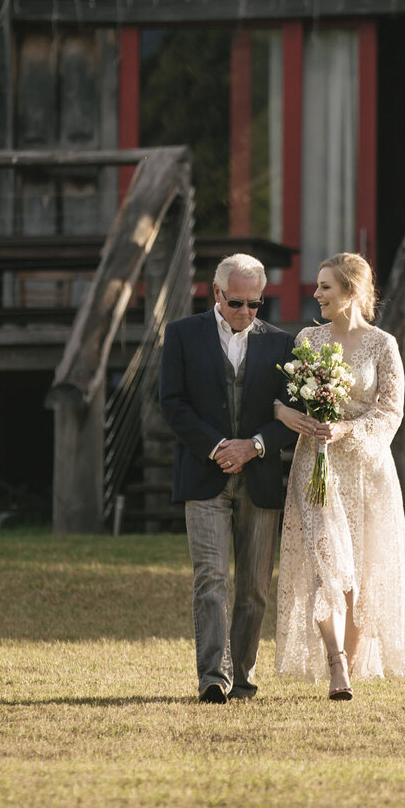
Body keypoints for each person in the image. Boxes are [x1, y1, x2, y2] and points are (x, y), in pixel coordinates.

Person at [272, 251, 405, 700]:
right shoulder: (308, 341)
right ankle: (335, 663)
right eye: (317, 287)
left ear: (352, 291)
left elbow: (391, 412)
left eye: (325, 287)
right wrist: (284, 414)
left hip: (367, 471)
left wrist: (347, 429)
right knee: (325, 567)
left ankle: (349, 670)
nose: (316, 294)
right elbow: (280, 396)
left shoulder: (382, 344)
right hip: (315, 466)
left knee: (359, 574)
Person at [159, 253, 298, 703]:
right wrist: (219, 448)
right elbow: (172, 404)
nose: (245, 313)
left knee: (254, 587)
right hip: (204, 475)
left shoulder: (282, 345)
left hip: (259, 477)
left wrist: (254, 446)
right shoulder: (182, 335)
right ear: (216, 293)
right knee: (211, 577)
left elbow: (291, 417)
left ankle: (242, 678)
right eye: (237, 302)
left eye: (255, 305)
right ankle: (212, 678)